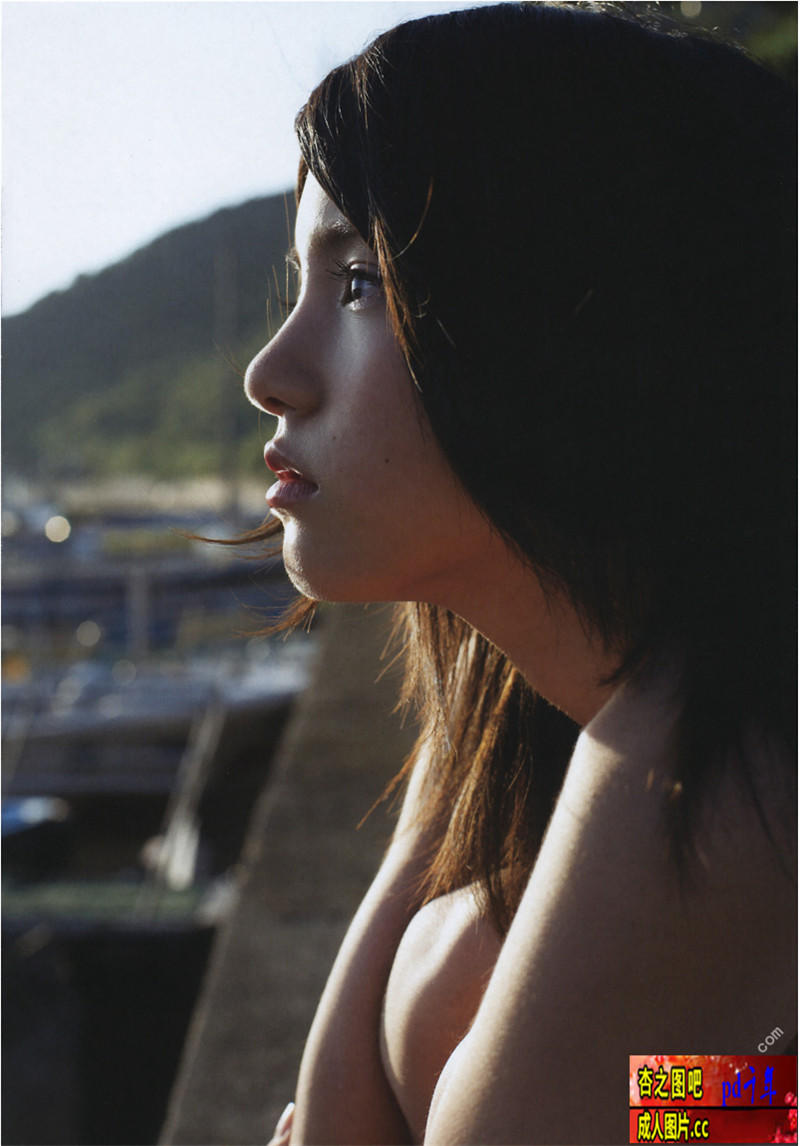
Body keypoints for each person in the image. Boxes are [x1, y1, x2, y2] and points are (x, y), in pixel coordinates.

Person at [242, 4, 796, 1142]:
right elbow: (682, 1113)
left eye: (359, 284)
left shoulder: (712, 765)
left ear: (558, 317)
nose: (270, 372)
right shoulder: (565, 717)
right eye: (303, 283)